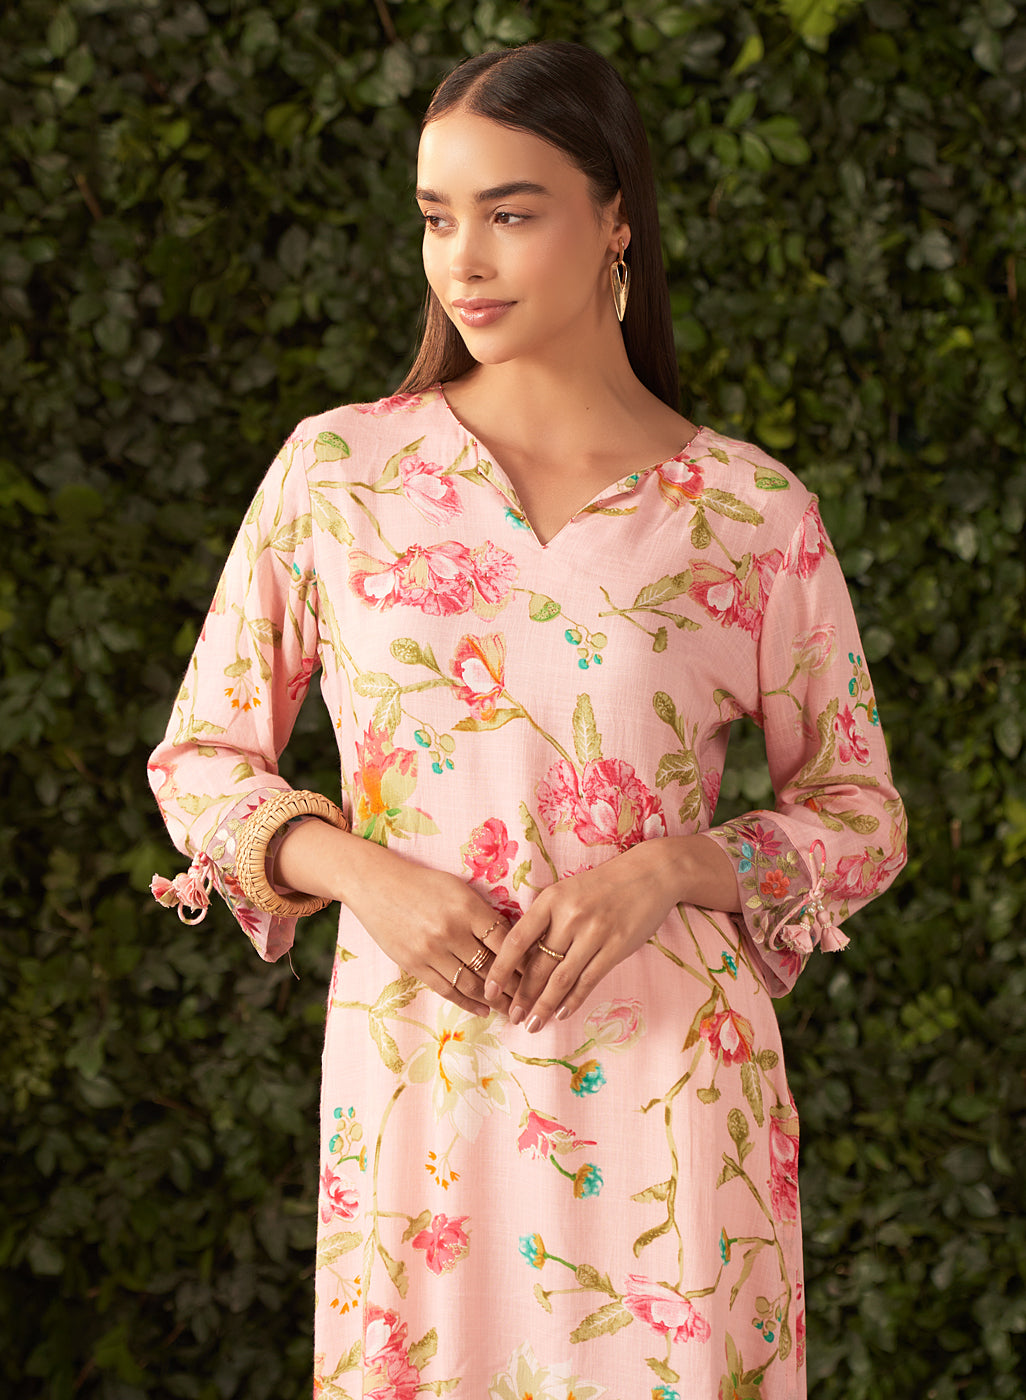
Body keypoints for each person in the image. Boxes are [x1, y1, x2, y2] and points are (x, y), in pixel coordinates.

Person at [149, 40, 906, 1400]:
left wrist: (676, 866)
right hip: (421, 1083)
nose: (465, 259)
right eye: (438, 217)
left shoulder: (748, 511)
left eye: (510, 212)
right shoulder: (341, 471)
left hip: (676, 1093)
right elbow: (202, 760)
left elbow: (860, 815)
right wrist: (361, 872)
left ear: (615, 220)